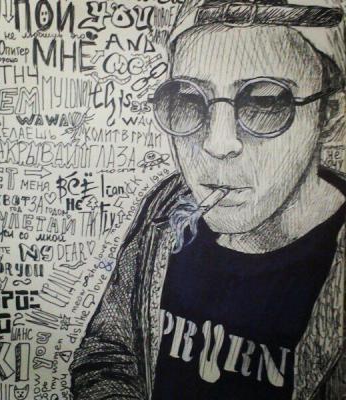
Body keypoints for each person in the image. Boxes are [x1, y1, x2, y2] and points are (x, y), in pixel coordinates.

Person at [70, 0, 346, 399]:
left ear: (330, 116)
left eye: (265, 103)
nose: (218, 143)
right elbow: (107, 356)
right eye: (187, 101)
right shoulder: (167, 210)